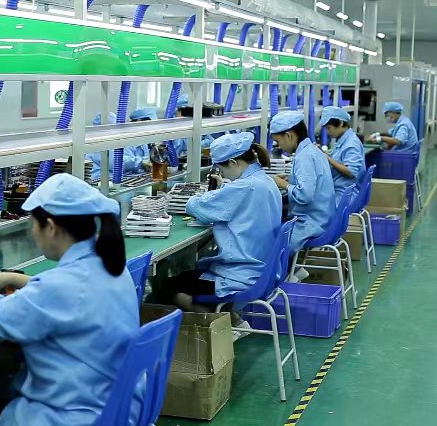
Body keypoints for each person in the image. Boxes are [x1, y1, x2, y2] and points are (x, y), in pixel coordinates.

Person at [0, 173, 140, 426]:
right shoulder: (112, 267)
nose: (33, 232)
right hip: (113, 408)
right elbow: (74, 294)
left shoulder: (60, 288)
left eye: (33, 224)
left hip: (69, 417)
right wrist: (16, 279)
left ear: (50, 227)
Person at [156, 132, 281, 338]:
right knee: (188, 277)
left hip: (239, 275)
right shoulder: (264, 180)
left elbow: (199, 208)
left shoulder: (244, 187)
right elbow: (236, 199)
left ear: (233, 162)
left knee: (167, 287)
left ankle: (222, 329)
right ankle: (233, 320)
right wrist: (223, 189)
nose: (224, 174)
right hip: (261, 271)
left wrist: (193, 197)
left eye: (222, 169)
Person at [269, 111, 335, 252]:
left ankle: (285, 266)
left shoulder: (304, 157)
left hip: (311, 223)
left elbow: (305, 195)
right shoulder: (312, 150)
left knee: (268, 241)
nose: (279, 146)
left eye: (278, 141)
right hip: (323, 217)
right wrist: (291, 179)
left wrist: (283, 184)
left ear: (289, 135)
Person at [86, 108, 155, 181]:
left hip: (119, 178)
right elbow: (115, 162)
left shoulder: (140, 140)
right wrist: (140, 162)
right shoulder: (98, 144)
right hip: (100, 181)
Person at [320, 106, 366, 202]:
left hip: (345, 195)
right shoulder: (344, 140)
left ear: (340, 123)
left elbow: (351, 172)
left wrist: (327, 158)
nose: (328, 132)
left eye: (329, 128)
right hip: (341, 190)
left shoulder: (351, 144)